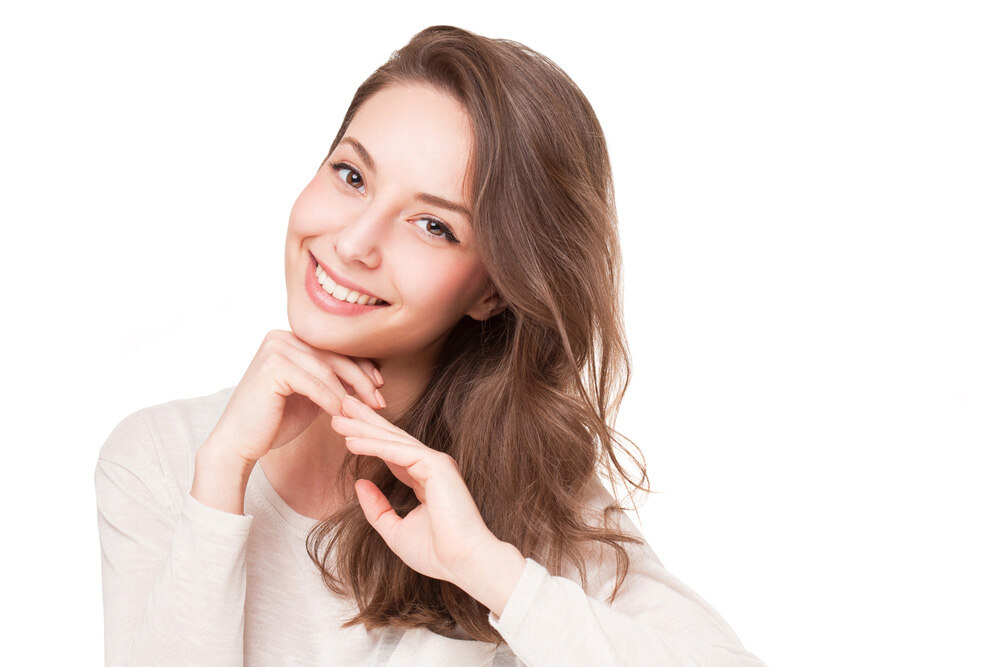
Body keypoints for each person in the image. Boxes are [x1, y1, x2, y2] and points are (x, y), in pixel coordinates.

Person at [94, 24, 767, 666]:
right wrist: (219, 478)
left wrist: (485, 566)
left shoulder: (525, 493)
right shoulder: (162, 458)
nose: (353, 242)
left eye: (432, 225)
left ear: (492, 290)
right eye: (351, 176)